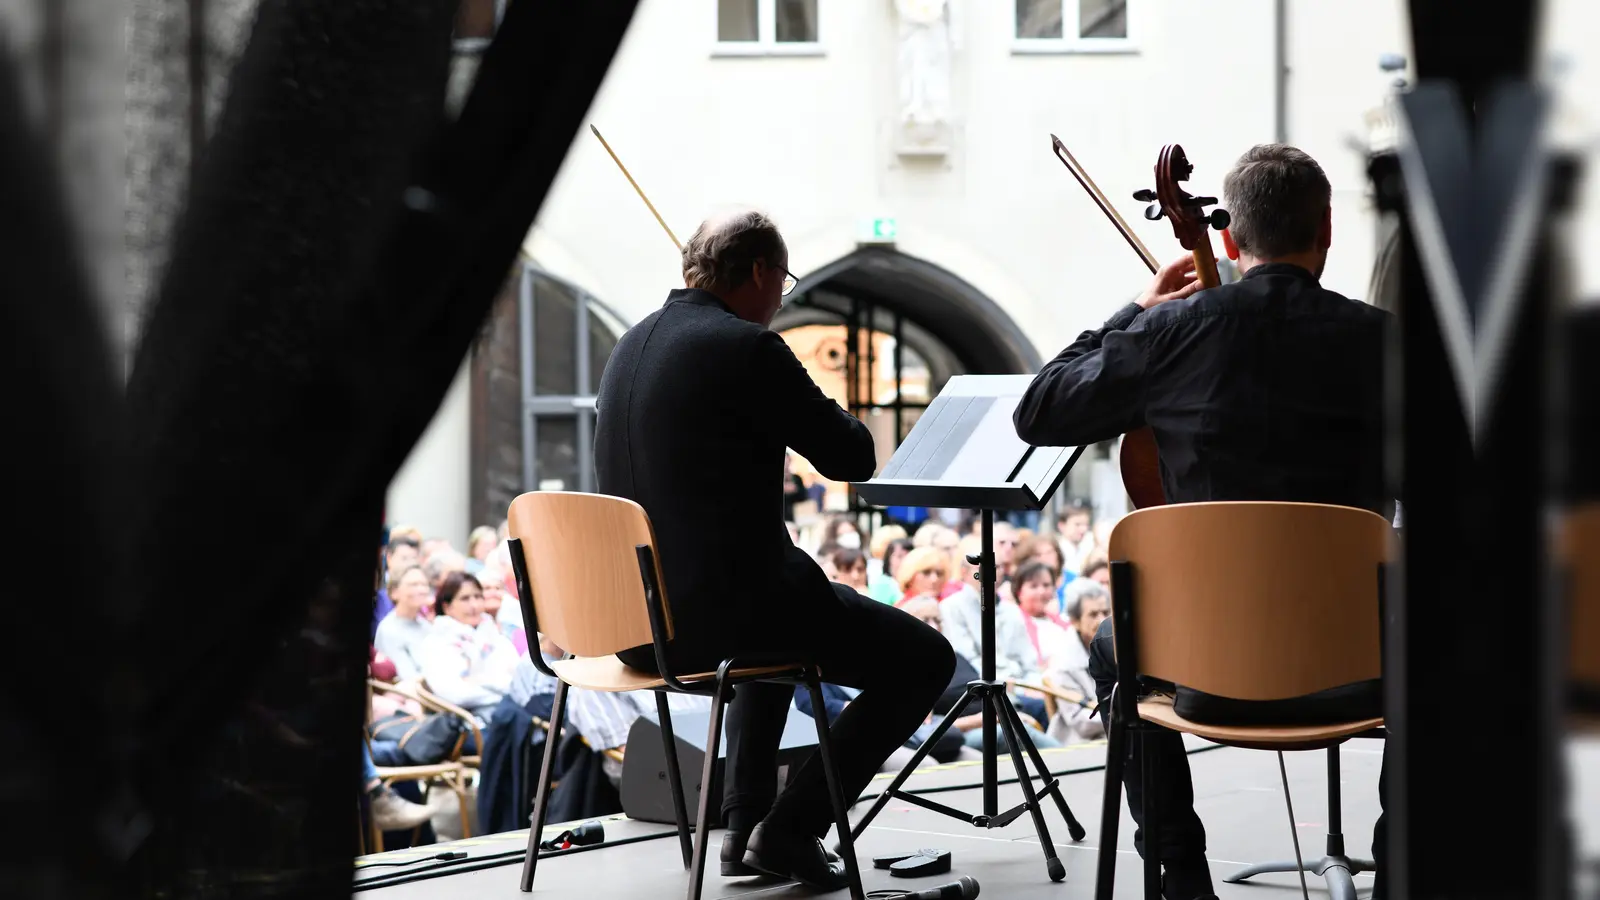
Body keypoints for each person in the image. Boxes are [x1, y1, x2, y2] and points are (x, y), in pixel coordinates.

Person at [1013, 144, 1391, 900]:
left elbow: (1039, 407)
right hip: (1359, 667)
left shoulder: (1170, 332)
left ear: (1227, 240)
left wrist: (1139, 313)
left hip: (1202, 672)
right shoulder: (1388, 344)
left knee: (1114, 640)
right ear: (1326, 227)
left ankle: (1181, 874)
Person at [594, 210, 955, 890]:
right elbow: (854, 455)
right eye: (782, 280)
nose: (783, 296)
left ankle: (743, 828)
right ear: (758, 271)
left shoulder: (629, 343)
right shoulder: (747, 349)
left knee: (776, 628)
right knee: (924, 659)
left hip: (635, 626)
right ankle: (792, 829)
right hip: (718, 619)